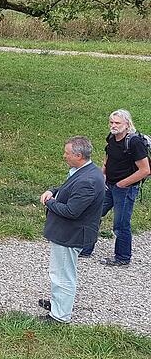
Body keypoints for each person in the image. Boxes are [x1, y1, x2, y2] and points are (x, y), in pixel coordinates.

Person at [38, 136, 105, 324]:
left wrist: (50, 202)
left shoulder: (87, 181)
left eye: (67, 153)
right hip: (68, 232)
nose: (64, 156)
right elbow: (67, 189)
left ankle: (60, 316)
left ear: (78, 155)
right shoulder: (86, 171)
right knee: (60, 272)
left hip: (70, 233)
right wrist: (53, 190)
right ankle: (58, 303)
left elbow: (71, 211)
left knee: (63, 275)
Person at [79, 109, 150, 265]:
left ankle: (122, 257)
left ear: (127, 124)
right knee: (93, 214)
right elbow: (108, 155)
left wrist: (122, 184)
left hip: (125, 189)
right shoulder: (112, 137)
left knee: (121, 223)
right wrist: (102, 174)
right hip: (108, 185)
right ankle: (85, 249)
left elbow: (145, 170)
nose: (113, 125)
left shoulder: (134, 143)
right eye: (111, 122)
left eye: (117, 123)